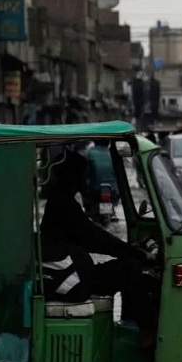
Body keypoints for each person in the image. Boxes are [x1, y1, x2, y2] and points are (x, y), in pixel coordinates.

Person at [40, 149, 159, 348]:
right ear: (72, 176)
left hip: (71, 273)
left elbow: (93, 237)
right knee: (129, 268)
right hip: (71, 280)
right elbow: (96, 239)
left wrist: (129, 249)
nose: (84, 181)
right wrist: (136, 253)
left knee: (128, 268)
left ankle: (132, 327)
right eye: (81, 176)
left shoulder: (60, 202)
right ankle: (148, 330)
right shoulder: (63, 205)